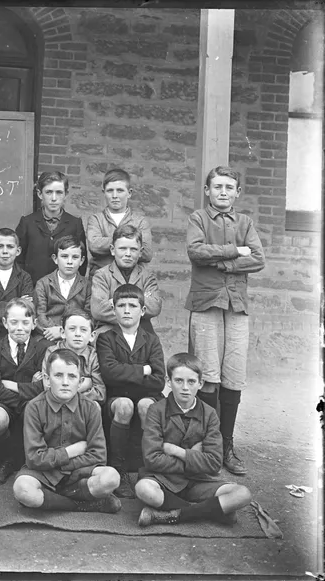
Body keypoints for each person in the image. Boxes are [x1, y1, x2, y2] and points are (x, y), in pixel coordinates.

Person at [185, 166, 265, 476]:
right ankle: (209, 444)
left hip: (237, 305)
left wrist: (223, 263)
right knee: (208, 375)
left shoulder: (245, 222)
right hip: (207, 302)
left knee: (233, 375)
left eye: (229, 187)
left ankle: (226, 444)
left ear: (237, 193)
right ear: (207, 190)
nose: (223, 192)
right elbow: (195, 251)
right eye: (217, 186)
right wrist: (234, 252)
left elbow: (258, 258)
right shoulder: (198, 219)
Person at [135, 353, 252, 527]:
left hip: (199, 481)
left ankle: (170, 515)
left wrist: (179, 452)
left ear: (200, 383)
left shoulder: (209, 414)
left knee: (242, 493)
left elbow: (214, 463)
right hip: (164, 480)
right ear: (168, 381)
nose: (185, 388)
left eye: (191, 382)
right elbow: (152, 459)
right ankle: (211, 512)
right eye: (178, 381)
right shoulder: (156, 410)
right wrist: (195, 456)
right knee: (143, 489)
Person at [12, 349, 121, 514]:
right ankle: (80, 504)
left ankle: (53, 499)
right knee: (22, 489)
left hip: (78, 472)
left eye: (72, 376)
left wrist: (61, 463)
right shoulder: (34, 407)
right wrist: (71, 451)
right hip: (44, 473)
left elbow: (98, 455)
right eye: (58, 375)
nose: (65, 382)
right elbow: (34, 458)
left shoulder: (90, 408)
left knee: (111, 477)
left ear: (80, 381)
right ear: (47, 379)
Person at [96, 284, 165, 499]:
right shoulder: (106, 338)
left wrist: (125, 375)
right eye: (121, 305)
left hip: (146, 395)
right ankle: (119, 468)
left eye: (133, 306)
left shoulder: (151, 340)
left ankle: (149, 468)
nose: (127, 310)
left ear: (142, 311)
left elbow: (158, 380)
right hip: (118, 397)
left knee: (146, 405)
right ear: (113, 309)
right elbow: (109, 373)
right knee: (124, 406)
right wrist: (143, 370)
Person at [0, 298, 52, 485]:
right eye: (14, 322)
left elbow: (43, 386)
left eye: (25, 322)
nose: (20, 328)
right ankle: (4, 460)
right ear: (5, 323)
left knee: (32, 410)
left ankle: (26, 462)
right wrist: (27, 389)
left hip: (32, 403)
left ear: (34, 324)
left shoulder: (42, 349)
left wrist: (13, 385)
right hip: (5, 402)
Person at [15, 170, 86, 285]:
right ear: (39, 194)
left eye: (59, 192)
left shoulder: (75, 224)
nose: (54, 198)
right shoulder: (27, 222)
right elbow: (18, 260)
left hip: (64, 289)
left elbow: (81, 262)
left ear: (66, 194)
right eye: (48, 192)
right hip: (32, 287)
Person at [90, 224, 162, 335]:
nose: (128, 254)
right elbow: (98, 310)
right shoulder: (102, 275)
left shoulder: (147, 277)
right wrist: (137, 304)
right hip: (109, 330)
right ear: (113, 250)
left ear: (140, 252)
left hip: (141, 330)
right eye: (123, 249)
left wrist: (115, 302)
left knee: (152, 342)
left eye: (133, 249)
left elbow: (154, 307)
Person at [86, 168, 153, 280]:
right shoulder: (96, 219)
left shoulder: (140, 221)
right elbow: (94, 246)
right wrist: (131, 243)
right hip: (101, 280)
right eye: (110, 191)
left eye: (120, 190)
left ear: (129, 193)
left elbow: (146, 253)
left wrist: (112, 243)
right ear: (104, 192)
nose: (114, 195)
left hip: (132, 281)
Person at [41, 309, 105, 405]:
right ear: (62, 332)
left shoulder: (93, 356)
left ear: (92, 336)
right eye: (72, 329)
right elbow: (48, 388)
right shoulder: (52, 352)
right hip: (55, 407)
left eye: (83, 330)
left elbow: (100, 394)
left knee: (95, 405)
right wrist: (84, 385)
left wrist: (65, 392)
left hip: (84, 406)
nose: (77, 334)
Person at [34, 235, 91, 342]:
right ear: (55, 259)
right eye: (64, 256)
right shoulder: (43, 283)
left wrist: (63, 331)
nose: (69, 262)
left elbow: (89, 315)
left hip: (77, 335)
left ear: (82, 260)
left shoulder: (87, 285)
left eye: (75, 257)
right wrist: (52, 331)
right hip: (48, 335)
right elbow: (40, 314)